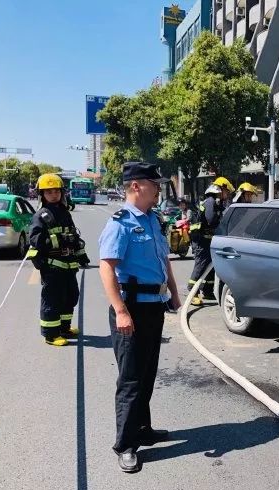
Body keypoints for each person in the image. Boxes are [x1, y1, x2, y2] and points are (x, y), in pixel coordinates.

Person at [98, 161, 182, 473]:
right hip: (130, 309)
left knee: (147, 374)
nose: (160, 188)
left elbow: (164, 261)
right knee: (131, 379)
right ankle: (125, 445)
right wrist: (120, 311)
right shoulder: (120, 223)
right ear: (137, 186)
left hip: (154, 306)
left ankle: (143, 430)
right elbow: (107, 267)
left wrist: (172, 292)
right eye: (155, 183)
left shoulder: (153, 219)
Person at [26, 173, 90, 346]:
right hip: (52, 266)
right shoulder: (41, 215)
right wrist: (58, 240)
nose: (54, 195)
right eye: (49, 192)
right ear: (42, 195)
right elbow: (35, 239)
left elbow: (72, 235)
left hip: (69, 264)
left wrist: (80, 253)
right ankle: (51, 334)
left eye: (56, 191)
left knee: (71, 296)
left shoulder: (64, 212)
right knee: (53, 299)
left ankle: (64, 328)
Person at [187, 177, 234, 306]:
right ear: (220, 189)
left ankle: (207, 290)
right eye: (226, 191)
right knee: (201, 264)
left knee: (210, 266)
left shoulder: (216, 203)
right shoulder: (210, 201)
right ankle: (192, 292)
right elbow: (211, 220)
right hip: (200, 239)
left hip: (207, 239)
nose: (227, 195)